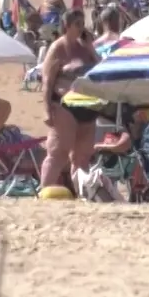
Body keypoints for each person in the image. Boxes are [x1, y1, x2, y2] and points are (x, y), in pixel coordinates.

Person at [39, 10, 99, 191]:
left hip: (88, 106)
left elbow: (101, 68)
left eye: (83, 23)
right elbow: (47, 82)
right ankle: (45, 190)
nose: (81, 28)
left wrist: (91, 48)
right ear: (67, 26)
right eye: (77, 24)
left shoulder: (85, 47)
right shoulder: (58, 48)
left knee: (82, 156)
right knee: (58, 152)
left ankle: (81, 192)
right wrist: (46, 109)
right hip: (64, 105)